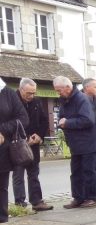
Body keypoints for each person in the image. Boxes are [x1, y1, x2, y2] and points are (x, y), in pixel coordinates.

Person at [54, 76, 96, 209]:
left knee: (89, 171)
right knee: (76, 172)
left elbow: (88, 120)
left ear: (67, 87)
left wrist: (67, 123)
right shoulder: (64, 100)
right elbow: (62, 116)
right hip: (76, 143)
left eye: (59, 90)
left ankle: (91, 197)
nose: (58, 93)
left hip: (89, 142)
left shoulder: (82, 99)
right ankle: (78, 197)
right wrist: (61, 121)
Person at [12, 78, 53, 211]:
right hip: (17, 145)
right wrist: (23, 138)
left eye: (34, 93)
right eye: (29, 93)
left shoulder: (36, 102)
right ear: (21, 89)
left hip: (33, 144)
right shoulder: (11, 101)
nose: (31, 96)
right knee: (18, 174)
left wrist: (39, 135)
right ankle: (20, 204)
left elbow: (44, 121)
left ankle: (37, 202)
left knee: (34, 173)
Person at [0, 77, 29, 223]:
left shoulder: (8, 93)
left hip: (2, 148)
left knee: (1, 187)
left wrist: (2, 130)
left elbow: (23, 119)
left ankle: (1, 218)